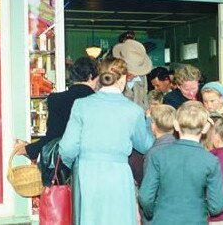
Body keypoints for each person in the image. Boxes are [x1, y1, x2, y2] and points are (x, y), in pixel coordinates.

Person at [58, 57, 154, 224]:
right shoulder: (133, 110)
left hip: (87, 173)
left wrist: (72, 165)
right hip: (118, 175)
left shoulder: (81, 105)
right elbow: (146, 145)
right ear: (123, 79)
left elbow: (67, 148)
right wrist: (147, 122)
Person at [139, 101, 223, 225]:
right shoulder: (211, 161)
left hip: (163, 219)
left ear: (176, 125)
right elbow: (217, 204)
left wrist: (153, 214)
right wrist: (202, 211)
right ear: (206, 128)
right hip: (196, 220)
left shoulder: (158, 156)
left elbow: (145, 196)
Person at [13, 56, 99, 160]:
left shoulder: (56, 100)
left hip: (65, 165)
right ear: (90, 76)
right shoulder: (99, 101)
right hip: (95, 162)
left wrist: (27, 149)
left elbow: (53, 138)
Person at [113, 38, 153, 110]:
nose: (135, 75)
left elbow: (144, 99)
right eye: (131, 72)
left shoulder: (142, 77)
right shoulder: (110, 78)